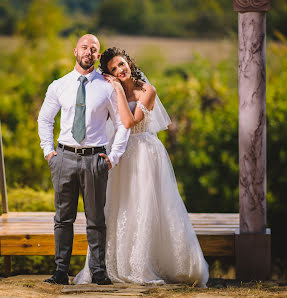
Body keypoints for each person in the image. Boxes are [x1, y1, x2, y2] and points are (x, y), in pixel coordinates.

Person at [73, 47, 209, 287]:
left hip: (145, 152)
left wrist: (116, 90)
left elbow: (129, 121)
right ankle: (112, 264)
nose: (120, 70)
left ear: (129, 62)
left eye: (121, 64)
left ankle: (146, 264)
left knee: (147, 206)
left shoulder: (147, 90)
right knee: (118, 206)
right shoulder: (111, 90)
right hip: (120, 152)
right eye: (114, 69)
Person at [38, 36, 130, 285]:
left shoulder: (107, 86)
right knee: (62, 218)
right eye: (85, 47)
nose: (89, 52)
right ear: (75, 51)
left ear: (98, 56)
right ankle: (60, 272)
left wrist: (113, 158)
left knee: (96, 219)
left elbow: (123, 123)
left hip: (95, 160)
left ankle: (98, 271)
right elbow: (45, 119)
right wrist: (49, 152)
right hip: (63, 158)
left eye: (94, 49)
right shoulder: (59, 85)